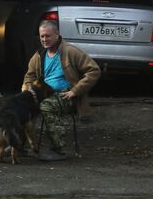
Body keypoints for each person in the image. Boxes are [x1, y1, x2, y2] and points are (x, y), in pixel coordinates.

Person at [22, 20, 101, 161]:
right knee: (20, 104)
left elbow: (94, 70)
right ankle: (20, 145)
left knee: (46, 106)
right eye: (42, 36)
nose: (44, 39)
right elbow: (29, 76)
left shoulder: (70, 51)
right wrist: (27, 90)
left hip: (66, 96)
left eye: (48, 36)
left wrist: (75, 90)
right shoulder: (39, 55)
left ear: (57, 35)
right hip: (43, 95)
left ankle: (58, 150)